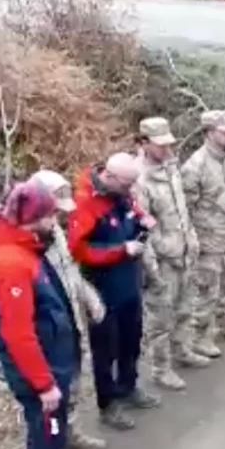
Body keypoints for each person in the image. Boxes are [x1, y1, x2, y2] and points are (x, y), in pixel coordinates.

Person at [0, 182, 95, 449]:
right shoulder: (13, 264)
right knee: (47, 441)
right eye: (52, 216)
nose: (57, 223)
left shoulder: (27, 250)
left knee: (51, 434)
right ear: (34, 219)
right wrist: (44, 384)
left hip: (53, 366)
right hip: (42, 376)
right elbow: (19, 334)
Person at [25, 171, 110, 449]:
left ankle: (69, 435)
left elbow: (71, 273)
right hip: (47, 331)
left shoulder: (55, 232)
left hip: (71, 321)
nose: (58, 216)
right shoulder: (26, 242)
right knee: (49, 397)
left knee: (72, 386)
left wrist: (90, 299)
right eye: (54, 209)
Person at [68, 152, 162, 432]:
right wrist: (120, 251)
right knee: (105, 348)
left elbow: (132, 208)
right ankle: (108, 404)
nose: (130, 190)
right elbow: (79, 250)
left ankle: (129, 386)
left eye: (133, 184)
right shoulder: (85, 203)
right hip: (102, 285)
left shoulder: (121, 192)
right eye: (126, 184)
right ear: (109, 177)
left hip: (129, 279)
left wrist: (143, 219)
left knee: (131, 337)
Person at [134, 117, 210, 392]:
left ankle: (182, 351)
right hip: (163, 260)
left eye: (169, 143)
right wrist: (159, 257)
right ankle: (160, 368)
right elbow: (143, 225)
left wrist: (191, 240)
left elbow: (182, 210)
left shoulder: (171, 167)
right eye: (159, 145)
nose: (167, 149)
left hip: (185, 251)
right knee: (160, 317)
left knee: (184, 306)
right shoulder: (139, 179)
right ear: (143, 143)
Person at [179, 109, 225, 359]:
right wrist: (193, 239)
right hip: (209, 237)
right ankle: (200, 336)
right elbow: (185, 208)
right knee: (207, 288)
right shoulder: (195, 166)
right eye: (224, 131)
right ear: (209, 133)